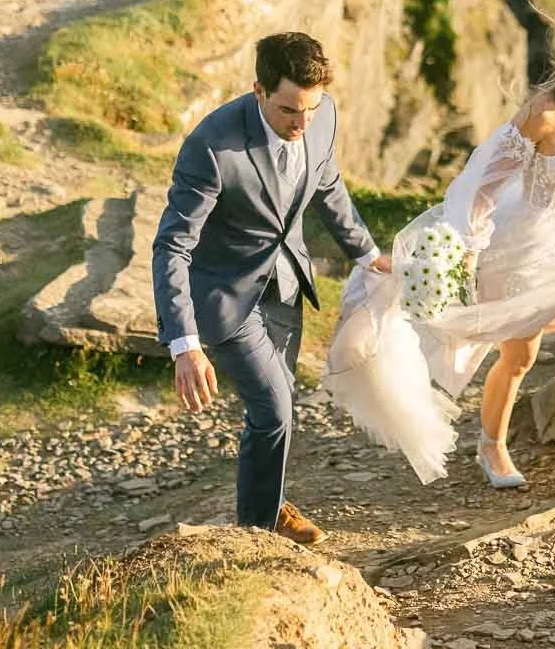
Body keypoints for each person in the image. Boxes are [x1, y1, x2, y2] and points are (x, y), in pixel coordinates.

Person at [325, 14, 555, 488]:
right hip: (530, 254)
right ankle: (491, 447)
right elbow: (483, 182)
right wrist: (470, 246)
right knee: (519, 358)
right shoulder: (543, 113)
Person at [152, 31, 387, 544]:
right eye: (288, 111)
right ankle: (258, 539)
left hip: (286, 284)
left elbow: (328, 185)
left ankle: (268, 508)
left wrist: (368, 255)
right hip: (224, 297)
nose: (301, 123)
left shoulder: (322, 115)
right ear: (258, 90)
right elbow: (171, 246)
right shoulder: (212, 146)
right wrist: (184, 344)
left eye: (310, 109)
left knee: (274, 410)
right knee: (275, 409)